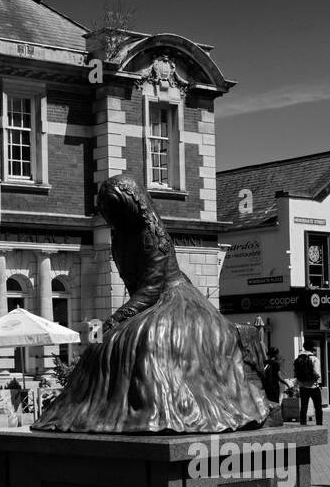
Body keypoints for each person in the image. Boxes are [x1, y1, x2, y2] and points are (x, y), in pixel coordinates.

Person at [32, 174, 268, 433]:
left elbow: (150, 290)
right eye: (108, 212)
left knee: (149, 338)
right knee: (103, 346)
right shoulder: (119, 238)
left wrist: (116, 318)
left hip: (174, 298)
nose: (112, 218)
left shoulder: (153, 237)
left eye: (116, 211)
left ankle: (159, 407)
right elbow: (135, 288)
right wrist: (117, 320)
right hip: (146, 301)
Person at [293, 342, 324, 426]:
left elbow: (296, 374)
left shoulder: (298, 359)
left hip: (302, 386)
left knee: (303, 407)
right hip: (314, 386)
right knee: (318, 407)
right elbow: (317, 374)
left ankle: (303, 424)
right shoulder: (314, 359)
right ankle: (319, 424)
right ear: (311, 349)